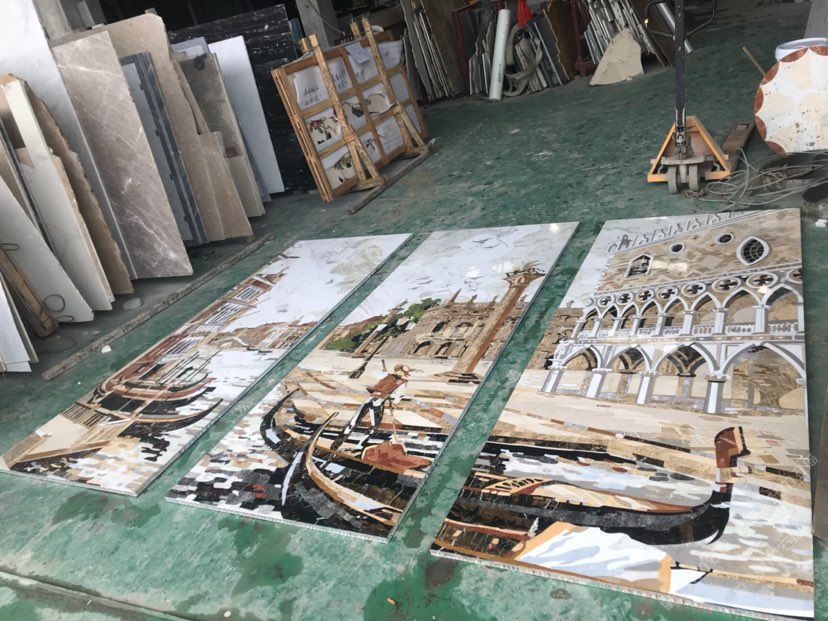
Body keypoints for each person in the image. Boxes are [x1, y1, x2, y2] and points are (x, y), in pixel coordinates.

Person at [332, 364, 411, 450]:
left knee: (353, 422)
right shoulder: (401, 382)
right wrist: (394, 403)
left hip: (368, 400)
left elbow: (374, 374)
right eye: (405, 373)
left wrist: (383, 372)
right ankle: (360, 446)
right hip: (377, 402)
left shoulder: (386, 375)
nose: (405, 375)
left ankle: (335, 445)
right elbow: (400, 395)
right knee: (374, 426)